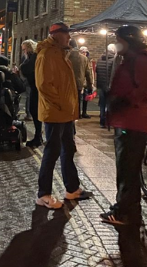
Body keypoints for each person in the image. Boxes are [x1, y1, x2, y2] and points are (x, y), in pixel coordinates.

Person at [99, 26, 147, 226]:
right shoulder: (130, 60)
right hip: (126, 120)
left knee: (127, 170)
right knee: (126, 169)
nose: (116, 44)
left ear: (129, 41)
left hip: (132, 121)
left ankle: (123, 212)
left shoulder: (139, 61)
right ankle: (130, 210)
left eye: (118, 40)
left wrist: (123, 101)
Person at [35, 22, 92, 209]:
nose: (69, 37)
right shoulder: (47, 54)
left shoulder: (60, 53)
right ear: (57, 35)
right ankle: (43, 195)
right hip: (56, 113)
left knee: (68, 148)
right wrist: (61, 104)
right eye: (66, 34)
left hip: (65, 112)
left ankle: (72, 189)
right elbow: (44, 85)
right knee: (52, 152)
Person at [19, 40, 43, 146]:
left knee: (35, 112)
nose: (23, 51)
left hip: (36, 88)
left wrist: (20, 69)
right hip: (35, 87)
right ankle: (39, 136)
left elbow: (26, 69)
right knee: (35, 112)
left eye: (24, 49)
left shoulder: (34, 56)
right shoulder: (33, 57)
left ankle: (38, 137)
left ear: (29, 48)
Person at [95, 44, 122, 128]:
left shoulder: (99, 60)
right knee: (109, 104)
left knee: (102, 104)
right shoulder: (114, 60)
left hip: (101, 85)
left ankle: (102, 121)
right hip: (109, 86)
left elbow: (97, 72)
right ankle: (109, 121)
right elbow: (113, 74)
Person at [68, 39, 93, 119]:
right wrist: (90, 85)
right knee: (78, 100)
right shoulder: (84, 58)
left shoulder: (65, 57)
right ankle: (77, 114)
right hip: (79, 83)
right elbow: (88, 73)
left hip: (67, 83)